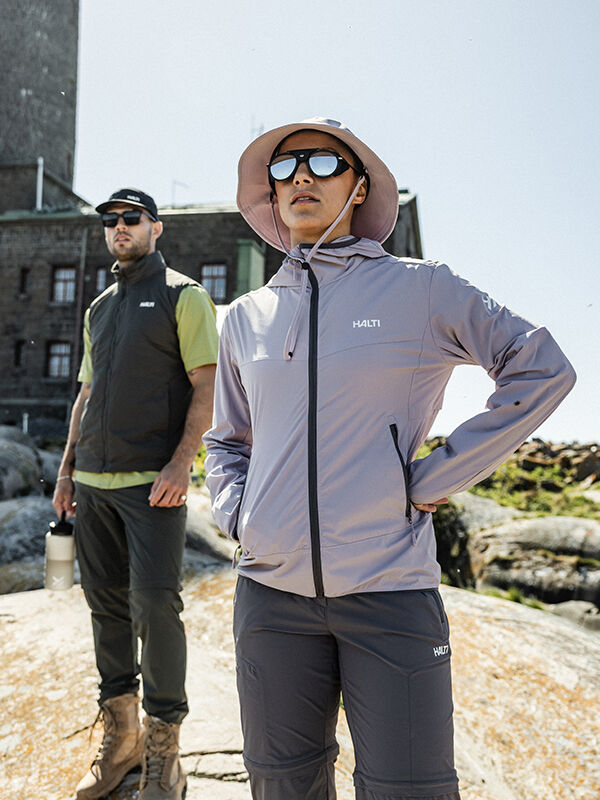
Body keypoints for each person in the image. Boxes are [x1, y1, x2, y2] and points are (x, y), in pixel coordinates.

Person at [203, 118, 576, 800]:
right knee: (281, 790)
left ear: (361, 185)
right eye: (284, 169)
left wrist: (437, 476)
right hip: (271, 602)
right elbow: (227, 441)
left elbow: (541, 367)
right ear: (271, 195)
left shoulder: (421, 288)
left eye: (322, 161)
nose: (301, 178)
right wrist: (239, 514)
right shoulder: (247, 316)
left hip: (390, 595)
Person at [53, 188, 218, 800]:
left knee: (155, 605)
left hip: (153, 485)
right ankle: (120, 737)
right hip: (92, 484)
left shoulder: (184, 296)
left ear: (156, 229)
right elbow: (86, 395)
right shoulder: (99, 307)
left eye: (131, 219)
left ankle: (164, 749)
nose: (119, 227)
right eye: (110, 221)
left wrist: (183, 463)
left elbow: (207, 386)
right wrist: (68, 473)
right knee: (106, 608)